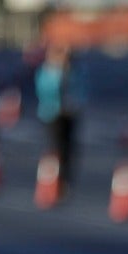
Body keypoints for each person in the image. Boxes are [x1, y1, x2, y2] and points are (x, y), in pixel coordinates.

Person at [34, 41, 84, 194]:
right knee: (55, 147)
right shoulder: (47, 71)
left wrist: (74, 105)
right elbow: (45, 90)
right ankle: (52, 181)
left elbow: (81, 91)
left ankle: (64, 179)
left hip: (69, 114)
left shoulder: (74, 72)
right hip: (52, 114)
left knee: (69, 148)